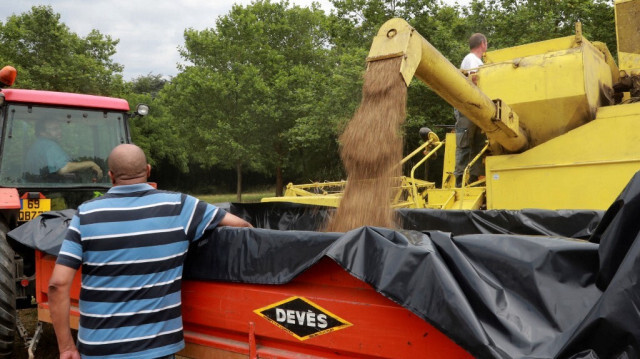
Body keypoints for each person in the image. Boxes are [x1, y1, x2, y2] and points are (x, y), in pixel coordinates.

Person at [48, 144, 253, 359]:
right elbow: (242, 226)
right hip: (156, 351)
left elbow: (58, 285)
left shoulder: (85, 215)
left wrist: (66, 347)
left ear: (111, 176)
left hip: (99, 349)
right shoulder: (181, 207)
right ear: (148, 170)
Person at [454, 33, 488, 187]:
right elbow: (474, 79)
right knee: (465, 144)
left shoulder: (478, 61)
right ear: (483, 43)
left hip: (478, 109)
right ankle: (459, 180)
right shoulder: (470, 59)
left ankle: (473, 178)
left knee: (478, 144)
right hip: (467, 108)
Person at [25, 121, 103, 179]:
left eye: (59, 128)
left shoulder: (36, 146)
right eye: (54, 129)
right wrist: (90, 164)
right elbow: (63, 169)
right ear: (42, 133)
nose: (60, 131)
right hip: (51, 193)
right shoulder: (50, 146)